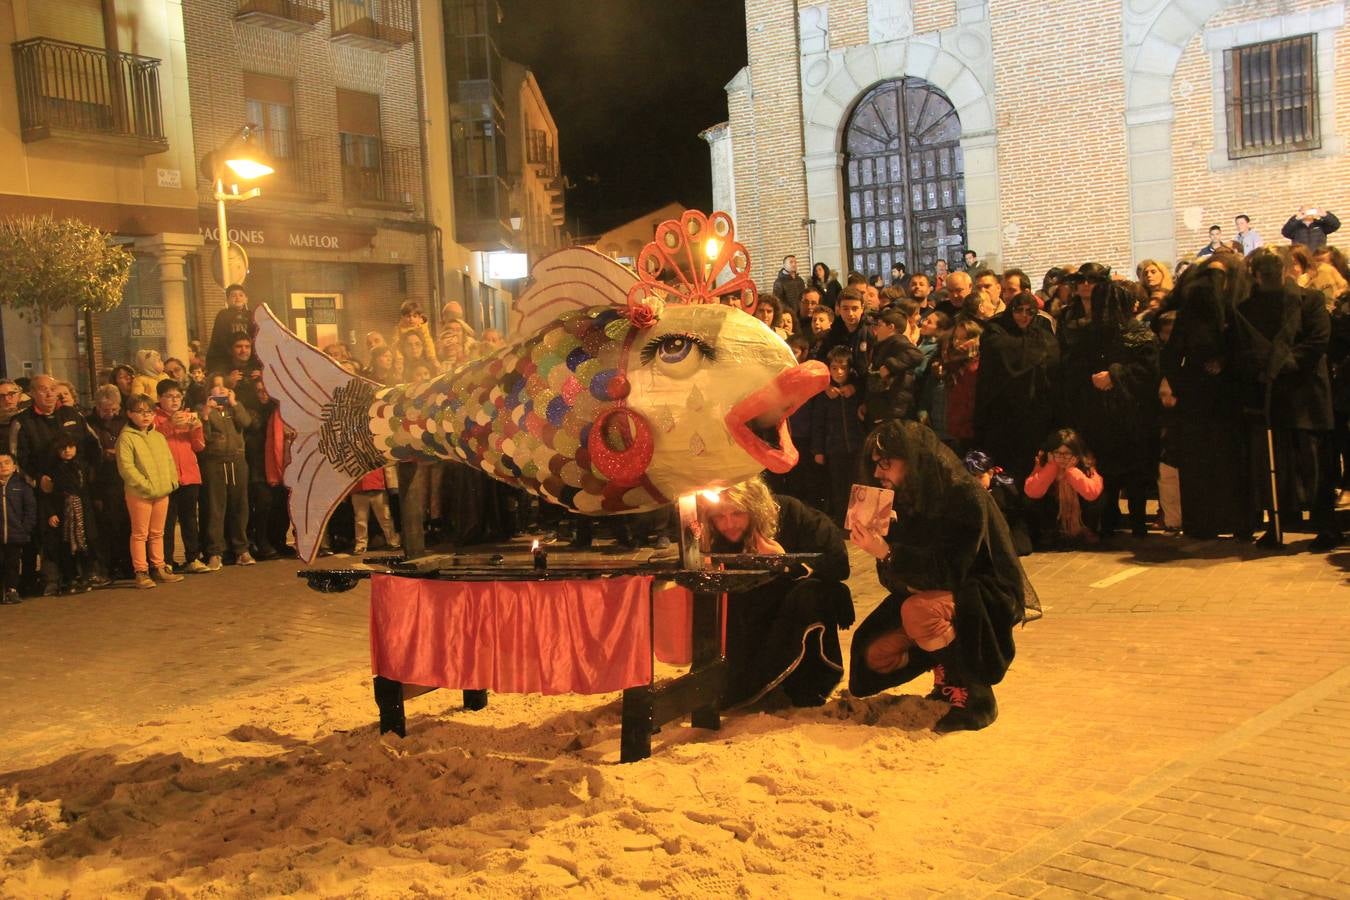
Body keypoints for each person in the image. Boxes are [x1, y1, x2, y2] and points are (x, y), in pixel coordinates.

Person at [848, 421, 1036, 733]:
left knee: (918, 612)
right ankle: (943, 665)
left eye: (886, 463)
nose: (879, 473)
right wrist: (888, 544)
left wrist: (889, 553)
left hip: (981, 594)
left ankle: (974, 694)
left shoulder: (962, 494)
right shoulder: (909, 496)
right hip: (935, 595)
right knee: (875, 655)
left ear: (913, 459)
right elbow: (898, 582)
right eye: (876, 464)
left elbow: (951, 571)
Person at [699, 477, 851, 709]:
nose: (728, 524)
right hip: (752, 612)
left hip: (795, 604)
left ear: (754, 508)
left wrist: (787, 563)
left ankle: (804, 685)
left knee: (809, 596)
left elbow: (838, 562)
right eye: (719, 516)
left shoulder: (792, 513)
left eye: (737, 513)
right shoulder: (714, 536)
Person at [1235, 248, 1339, 551]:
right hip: (1271, 395)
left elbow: (1318, 339)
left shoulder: (1310, 300)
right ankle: (1276, 525)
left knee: (1315, 464)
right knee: (1273, 465)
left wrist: (1284, 362)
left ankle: (1325, 525)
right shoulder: (1248, 308)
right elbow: (1244, 346)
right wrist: (1263, 367)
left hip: (1306, 394)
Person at [1058, 263, 1159, 537]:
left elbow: (1148, 369)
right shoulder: (1089, 331)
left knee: (1135, 468)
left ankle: (1138, 523)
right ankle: (1109, 519)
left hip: (1130, 411)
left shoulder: (1136, 332)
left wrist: (1115, 374)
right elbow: (1074, 365)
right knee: (1105, 466)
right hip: (1097, 410)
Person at [1159, 256, 1252, 539]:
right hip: (1203, 394)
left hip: (1218, 393)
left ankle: (1221, 522)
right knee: (1206, 461)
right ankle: (1212, 522)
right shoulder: (1205, 305)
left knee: (1222, 461)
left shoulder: (1230, 305)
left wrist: (1224, 360)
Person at [8, 374, 99, 596]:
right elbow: (16, 459)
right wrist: (38, 480)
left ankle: (85, 574)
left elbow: (93, 445)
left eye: (52, 388)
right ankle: (56, 579)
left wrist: (85, 474)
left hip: (76, 491)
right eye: (42, 389)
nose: (49, 393)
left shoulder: (72, 415)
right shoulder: (23, 422)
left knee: (81, 532)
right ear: (31, 393)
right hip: (46, 494)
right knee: (52, 536)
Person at [975, 291, 1061, 485]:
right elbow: (1000, 353)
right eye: (1019, 310)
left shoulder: (1044, 335)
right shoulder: (996, 331)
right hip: (1002, 413)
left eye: (1030, 312)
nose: (1024, 316)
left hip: (1034, 413)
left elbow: (1053, 363)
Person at [116, 395, 184, 589]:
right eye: (140, 412)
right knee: (140, 533)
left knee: (157, 533)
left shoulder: (158, 436)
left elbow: (169, 461)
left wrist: (171, 482)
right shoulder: (126, 438)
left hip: (162, 492)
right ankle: (141, 571)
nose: (146, 416)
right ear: (129, 414)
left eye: (149, 412)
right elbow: (127, 469)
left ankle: (160, 567)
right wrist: (145, 486)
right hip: (140, 494)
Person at [153, 379, 208, 573]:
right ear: (159, 399)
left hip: (190, 475)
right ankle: (166, 561)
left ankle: (193, 557)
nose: (175, 400)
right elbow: (153, 441)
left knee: (190, 519)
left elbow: (199, 446)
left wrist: (197, 428)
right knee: (167, 521)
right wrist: (169, 424)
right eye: (169, 396)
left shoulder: (187, 416)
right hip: (167, 477)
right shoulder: (154, 419)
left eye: (178, 396)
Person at [199, 375, 254, 569]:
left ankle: (242, 550)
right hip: (215, 463)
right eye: (216, 387)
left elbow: (247, 423)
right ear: (209, 391)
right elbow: (203, 437)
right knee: (216, 507)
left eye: (224, 387)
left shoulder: (233, 408)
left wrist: (235, 403)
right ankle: (215, 552)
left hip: (237, 460)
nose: (221, 390)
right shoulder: (203, 410)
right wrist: (205, 415)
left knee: (240, 506)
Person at [1023, 428, 1105, 550]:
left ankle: (1085, 529)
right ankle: (1048, 531)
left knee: (1099, 498)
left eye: (1067, 453)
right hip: (1053, 513)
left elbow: (1092, 493)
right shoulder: (1044, 462)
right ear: (1050, 453)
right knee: (1031, 499)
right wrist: (1050, 468)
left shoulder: (1085, 463)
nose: (1062, 457)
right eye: (1057, 452)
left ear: (1076, 454)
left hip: (1081, 513)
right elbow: (1032, 492)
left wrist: (1071, 471)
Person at [810, 347, 865, 524]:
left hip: (857, 446)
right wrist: (818, 450)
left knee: (858, 484)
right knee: (839, 486)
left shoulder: (857, 392)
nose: (839, 372)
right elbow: (818, 424)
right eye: (834, 368)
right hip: (834, 447)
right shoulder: (824, 396)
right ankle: (843, 521)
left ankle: (859, 520)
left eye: (843, 367)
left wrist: (855, 389)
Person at [88, 385, 133, 581]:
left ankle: (128, 563)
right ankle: (110, 565)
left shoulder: (125, 421)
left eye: (114, 409)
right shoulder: (88, 424)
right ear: (97, 406)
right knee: (107, 526)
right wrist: (102, 454)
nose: (110, 413)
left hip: (124, 479)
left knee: (127, 524)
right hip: (101, 481)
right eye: (106, 410)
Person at [43, 433, 97, 593]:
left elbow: (89, 488)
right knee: (66, 545)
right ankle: (69, 578)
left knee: (85, 543)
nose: (67, 451)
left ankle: (85, 576)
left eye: (71, 447)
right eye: (63, 448)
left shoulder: (82, 466)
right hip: (63, 512)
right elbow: (49, 495)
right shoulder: (53, 469)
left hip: (83, 510)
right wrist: (51, 513)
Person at [963, 449, 1031, 556]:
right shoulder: (965, 489)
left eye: (981, 477)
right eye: (972, 477)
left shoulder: (1003, 488)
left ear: (990, 473)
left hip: (1009, 530)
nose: (977, 482)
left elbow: (1009, 516)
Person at [866, 304, 924, 425]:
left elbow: (916, 355)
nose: (876, 329)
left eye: (880, 325)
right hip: (885, 405)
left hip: (894, 406)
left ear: (891, 327)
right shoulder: (884, 344)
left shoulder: (898, 341)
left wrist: (890, 366)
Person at [0, 451, 36, 605]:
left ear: (14, 466)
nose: (3, 466)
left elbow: (30, 509)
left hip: (15, 534)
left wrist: (25, 528)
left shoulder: (22, 487)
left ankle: (12, 590)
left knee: (12, 564)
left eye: (6, 462)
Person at [206, 284, 254, 374]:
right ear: (227, 300)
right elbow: (219, 339)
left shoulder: (251, 315)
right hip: (227, 360)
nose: (237, 298)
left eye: (241, 295)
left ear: (246, 299)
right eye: (233, 295)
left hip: (248, 359)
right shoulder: (223, 315)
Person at [773, 255, 807, 319]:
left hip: (802, 315)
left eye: (795, 262)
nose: (794, 264)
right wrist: (789, 312)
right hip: (788, 316)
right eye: (791, 262)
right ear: (784, 265)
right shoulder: (779, 282)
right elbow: (778, 301)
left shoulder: (800, 280)